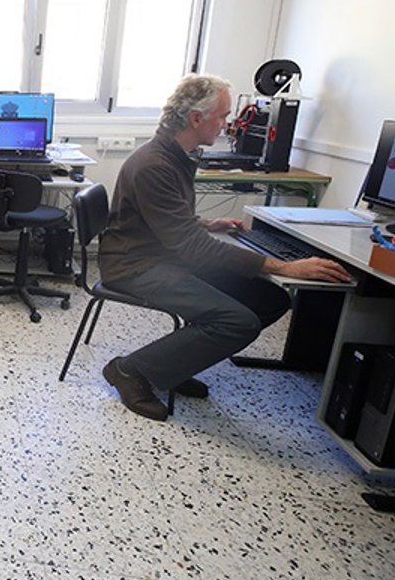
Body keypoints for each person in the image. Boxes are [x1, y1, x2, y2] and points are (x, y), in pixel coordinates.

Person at [97, 75, 351, 421]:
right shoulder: (155, 165)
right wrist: (283, 267)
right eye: (223, 116)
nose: (227, 124)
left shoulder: (175, 156)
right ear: (195, 118)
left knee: (270, 300)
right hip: (135, 266)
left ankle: (172, 363)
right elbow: (193, 248)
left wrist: (204, 223)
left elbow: (165, 220)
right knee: (238, 322)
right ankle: (130, 370)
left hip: (160, 255)